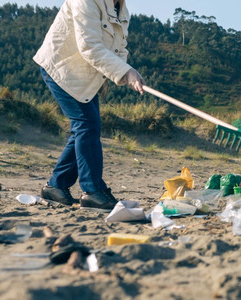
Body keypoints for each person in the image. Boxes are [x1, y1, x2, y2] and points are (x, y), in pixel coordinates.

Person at [33, 0, 145, 211]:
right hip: (61, 69)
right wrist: (124, 71)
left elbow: (118, 48)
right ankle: (92, 191)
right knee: (87, 125)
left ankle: (56, 186)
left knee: (84, 128)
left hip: (86, 75)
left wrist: (125, 73)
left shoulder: (121, 9)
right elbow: (90, 46)